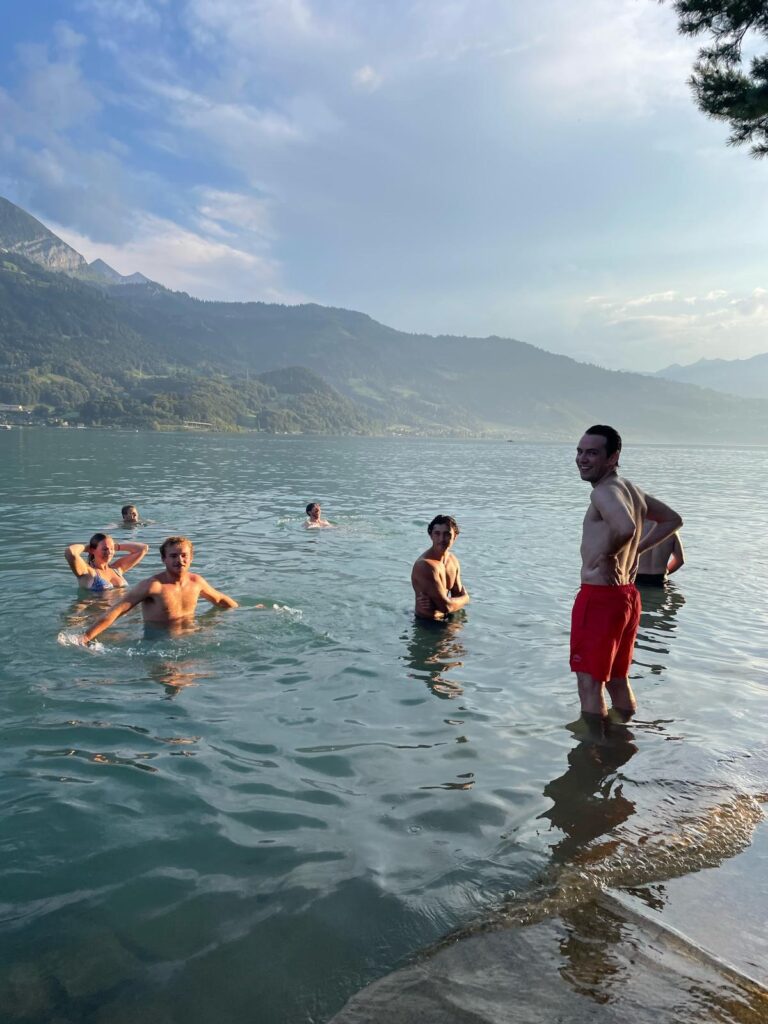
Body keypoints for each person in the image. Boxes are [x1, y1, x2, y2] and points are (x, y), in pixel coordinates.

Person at [571, 425, 682, 724]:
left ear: (613, 457)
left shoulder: (603, 493)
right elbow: (672, 520)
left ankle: (593, 749)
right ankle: (623, 738)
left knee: (589, 684)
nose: (582, 459)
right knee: (617, 679)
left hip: (600, 597)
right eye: (580, 452)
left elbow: (625, 528)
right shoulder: (632, 490)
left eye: (592, 453)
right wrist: (638, 550)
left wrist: (608, 556)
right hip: (627, 597)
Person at [78, 536, 238, 644]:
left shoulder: (196, 582)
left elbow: (220, 600)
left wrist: (242, 612)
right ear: (163, 559)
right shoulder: (152, 586)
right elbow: (116, 611)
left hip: (190, 640)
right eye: (173, 556)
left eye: (184, 555)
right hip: (157, 645)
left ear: (191, 558)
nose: (179, 560)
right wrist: (85, 637)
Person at [411, 515, 470, 621]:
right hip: (426, 623)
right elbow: (446, 606)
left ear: (455, 536)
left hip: (447, 618)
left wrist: (444, 602)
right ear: (431, 535)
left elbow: (456, 595)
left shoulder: (453, 561)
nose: (441, 539)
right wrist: (465, 598)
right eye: (437, 533)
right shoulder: (425, 565)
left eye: (447, 534)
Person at [65, 533, 149, 592]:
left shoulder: (117, 569)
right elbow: (70, 552)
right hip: (99, 611)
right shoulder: (88, 572)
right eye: (105, 549)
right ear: (92, 550)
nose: (109, 552)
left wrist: (115, 546)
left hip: (122, 611)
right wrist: (86, 547)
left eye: (112, 549)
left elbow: (143, 549)